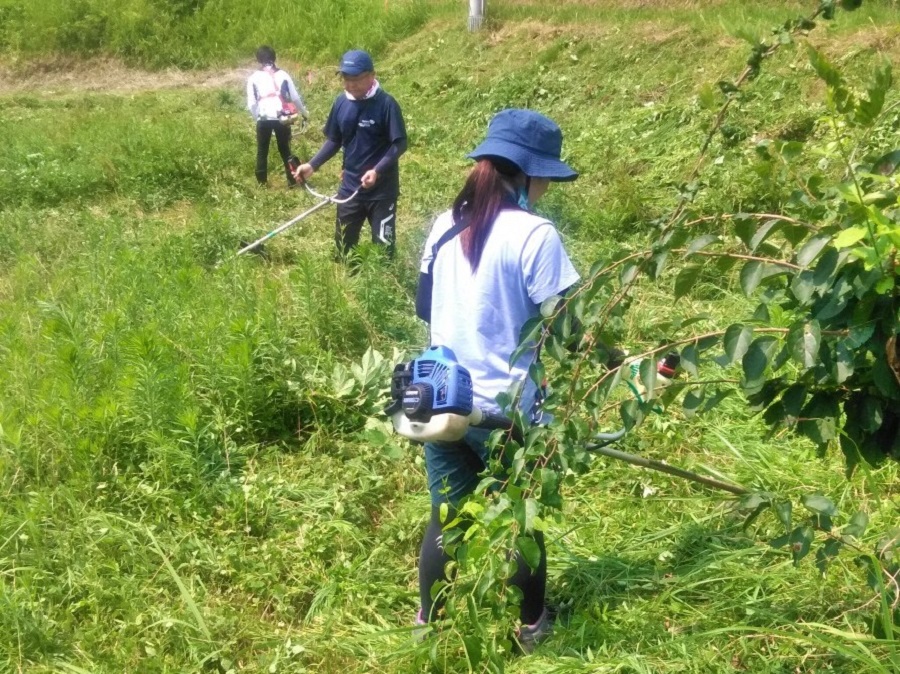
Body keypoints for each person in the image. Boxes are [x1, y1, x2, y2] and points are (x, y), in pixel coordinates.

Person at [414, 109, 580, 652]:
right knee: (520, 521)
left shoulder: (443, 226)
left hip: (441, 399)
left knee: (446, 515)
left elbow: (423, 307)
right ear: (527, 175)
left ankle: (429, 625)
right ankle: (531, 625)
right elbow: (569, 329)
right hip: (509, 413)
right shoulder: (535, 235)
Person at [294, 50, 407, 258]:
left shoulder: (386, 104)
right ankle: (348, 286)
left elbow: (399, 144)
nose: (350, 84)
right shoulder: (341, 103)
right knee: (343, 248)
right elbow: (334, 140)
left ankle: (384, 284)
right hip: (350, 189)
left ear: (372, 75)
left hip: (382, 191)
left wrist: (377, 170)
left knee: (384, 249)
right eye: (346, 78)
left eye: (356, 79)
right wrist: (312, 165)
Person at [246, 45, 309, 187]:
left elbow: (251, 104)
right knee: (285, 149)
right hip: (283, 117)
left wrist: (258, 117)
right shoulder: (283, 75)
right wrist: (305, 114)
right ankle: (292, 180)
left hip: (263, 118)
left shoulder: (253, 78)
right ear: (274, 58)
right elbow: (295, 98)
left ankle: (262, 182)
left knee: (262, 150)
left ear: (258, 60)